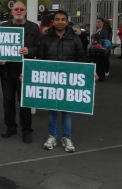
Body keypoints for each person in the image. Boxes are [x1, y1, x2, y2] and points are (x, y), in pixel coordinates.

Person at [37, 10, 88, 152]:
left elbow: (82, 59)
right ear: (53, 21)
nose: (60, 22)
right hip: (51, 80)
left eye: (63, 19)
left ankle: (66, 137)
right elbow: (40, 59)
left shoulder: (75, 38)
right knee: (52, 109)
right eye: (57, 19)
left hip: (68, 81)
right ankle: (52, 136)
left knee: (67, 111)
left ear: (67, 21)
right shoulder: (46, 38)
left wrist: (90, 75)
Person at [0, 1, 40, 144]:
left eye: (21, 9)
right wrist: (0, 59)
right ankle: (10, 127)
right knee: (8, 102)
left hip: (25, 70)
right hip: (7, 71)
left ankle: (27, 130)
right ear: (11, 12)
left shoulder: (33, 28)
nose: (18, 11)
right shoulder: (4, 27)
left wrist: (30, 51)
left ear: (25, 11)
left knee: (25, 103)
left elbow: (39, 48)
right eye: (16, 9)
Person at [91, 18, 110, 82]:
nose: (98, 23)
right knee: (97, 62)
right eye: (97, 22)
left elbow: (104, 39)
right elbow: (93, 37)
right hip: (96, 48)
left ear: (103, 23)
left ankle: (101, 77)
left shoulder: (105, 30)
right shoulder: (98, 30)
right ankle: (98, 75)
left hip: (101, 49)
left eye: (99, 22)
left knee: (101, 63)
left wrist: (96, 35)